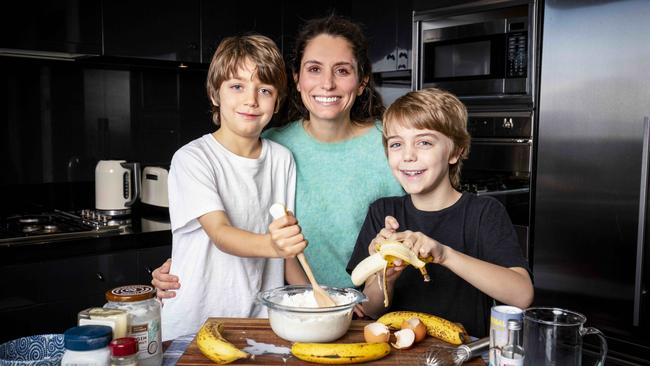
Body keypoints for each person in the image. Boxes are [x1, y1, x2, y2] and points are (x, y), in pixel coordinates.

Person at [152, 15, 404, 298]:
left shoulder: (393, 143)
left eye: (342, 71)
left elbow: (433, 214)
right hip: (294, 306)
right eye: (314, 69)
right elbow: (235, 233)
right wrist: (182, 265)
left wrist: (336, 300)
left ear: (362, 82)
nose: (328, 83)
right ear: (297, 79)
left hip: (370, 304)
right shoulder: (271, 144)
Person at [345, 88, 534, 337]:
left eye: (424, 142)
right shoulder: (383, 211)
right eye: (396, 144)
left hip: (465, 354)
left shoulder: (483, 213)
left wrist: (444, 255)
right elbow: (369, 309)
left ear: (455, 151)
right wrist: (386, 276)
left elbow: (522, 295)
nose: (408, 156)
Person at [160, 34, 308, 341]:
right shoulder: (192, 158)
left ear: (277, 100)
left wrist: (313, 301)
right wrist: (274, 246)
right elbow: (220, 234)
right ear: (215, 93)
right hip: (194, 324)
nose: (251, 100)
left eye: (264, 90)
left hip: (261, 324)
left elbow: (287, 252)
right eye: (237, 86)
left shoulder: (282, 159)